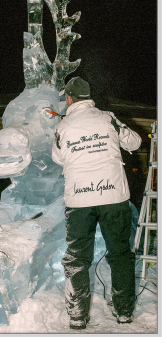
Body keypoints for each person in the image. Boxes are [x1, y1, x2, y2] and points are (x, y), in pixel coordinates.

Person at [52, 76, 142, 330]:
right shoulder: (108, 117)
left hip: (80, 200)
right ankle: (124, 311)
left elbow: (57, 157)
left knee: (77, 259)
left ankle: (78, 315)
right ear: (88, 97)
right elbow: (135, 142)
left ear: (69, 98)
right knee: (121, 254)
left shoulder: (62, 126)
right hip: (113, 197)